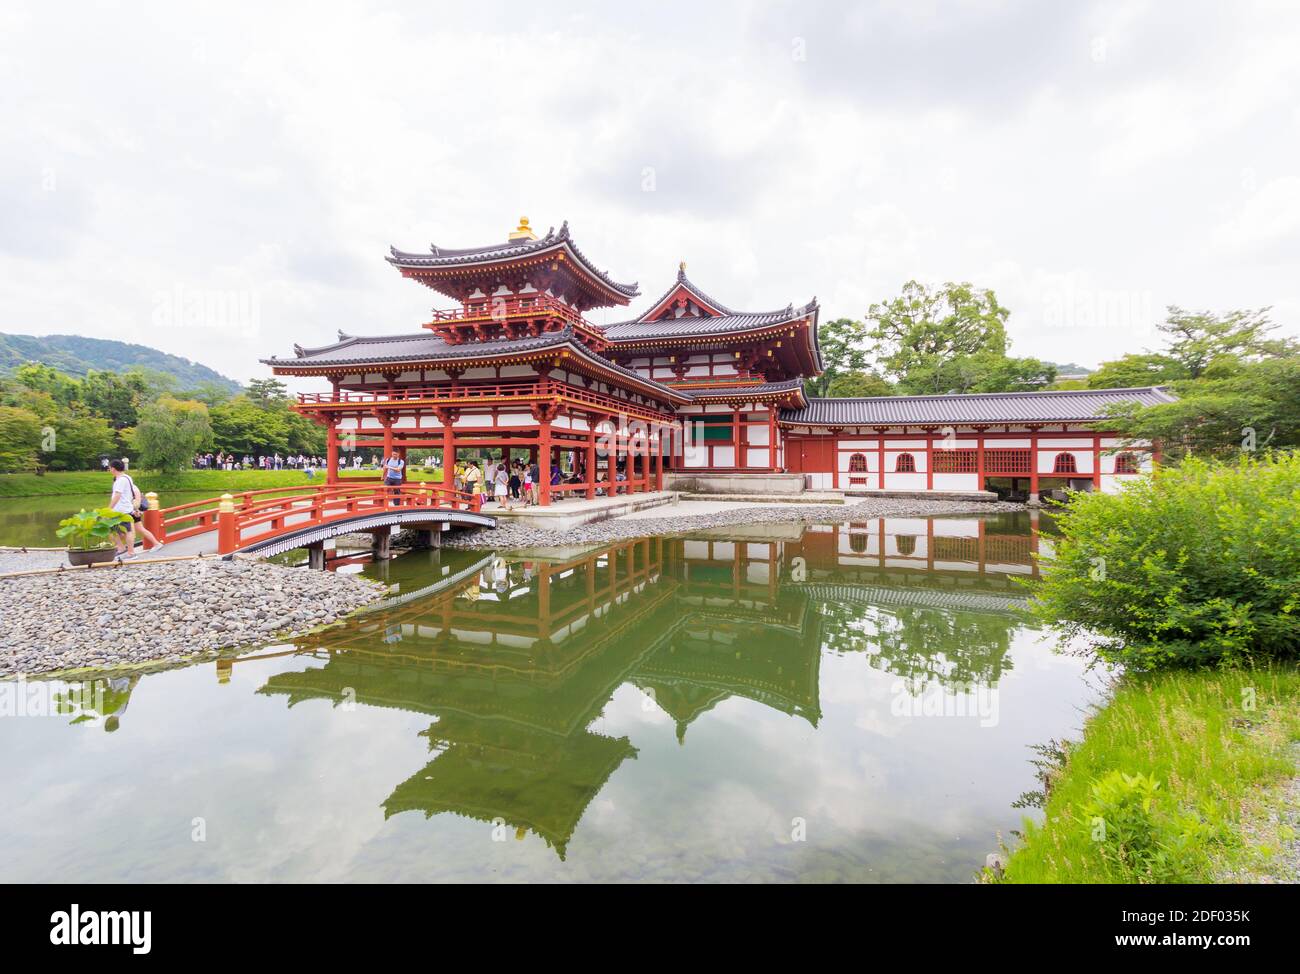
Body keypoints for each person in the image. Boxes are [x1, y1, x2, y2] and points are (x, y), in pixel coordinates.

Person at [107, 460, 138, 558]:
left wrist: (109, 508)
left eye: (110, 468)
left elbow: (117, 495)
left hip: (122, 510)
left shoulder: (121, 480)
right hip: (120, 509)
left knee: (128, 531)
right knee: (113, 529)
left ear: (113, 468)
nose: (109, 469)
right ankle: (121, 548)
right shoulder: (127, 477)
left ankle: (131, 553)